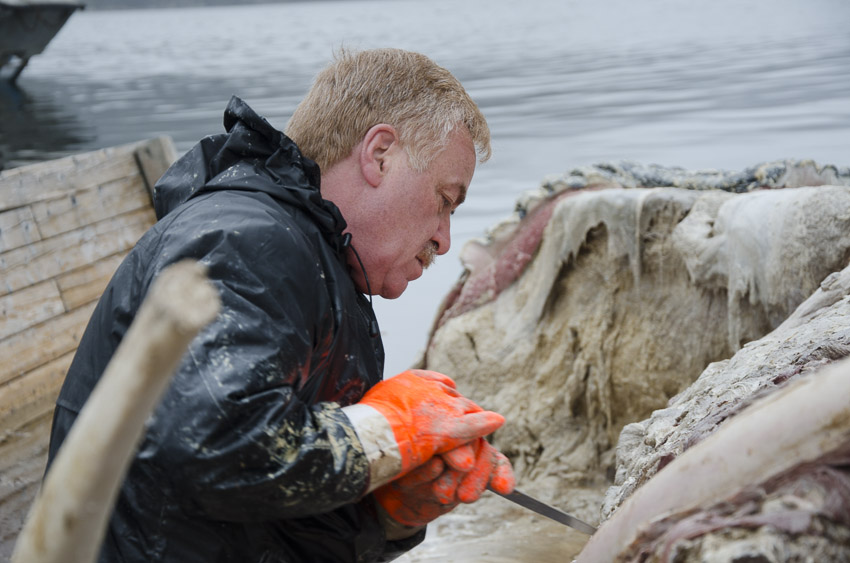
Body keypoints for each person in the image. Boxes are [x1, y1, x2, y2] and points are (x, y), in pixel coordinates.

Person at [46, 48, 515, 562]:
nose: (445, 239)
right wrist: (386, 432)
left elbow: (269, 517)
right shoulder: (248, 241)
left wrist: (387, 512)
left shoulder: (315, 261)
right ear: (380, 153)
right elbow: (216, 443)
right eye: (445, 200)